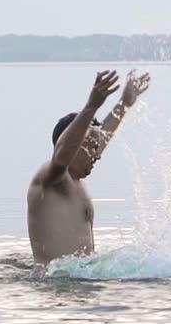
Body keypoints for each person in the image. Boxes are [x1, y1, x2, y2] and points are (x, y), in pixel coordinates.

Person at [27, 69, 151, 267]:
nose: (98, 155)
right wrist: (92, 106)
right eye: (92, 148)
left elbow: (102, 135)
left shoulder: (75, 183)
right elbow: (61, 156)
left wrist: (124, 104)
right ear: (74, 146)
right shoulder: (50, 179)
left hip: (79, 280)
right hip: (55, 286)